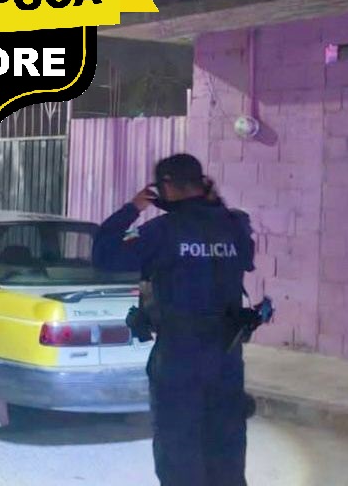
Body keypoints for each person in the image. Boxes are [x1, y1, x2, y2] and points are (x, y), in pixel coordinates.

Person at [93, 154, 255, 486]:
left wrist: (133, 207)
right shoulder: (234, 225)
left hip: (180, 358)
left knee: (179, 452)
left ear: (166, 186)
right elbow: (246, 257)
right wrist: (214, 205)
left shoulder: (162, 231)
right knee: (226, 448)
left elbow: (104, 254)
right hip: (227, 356)